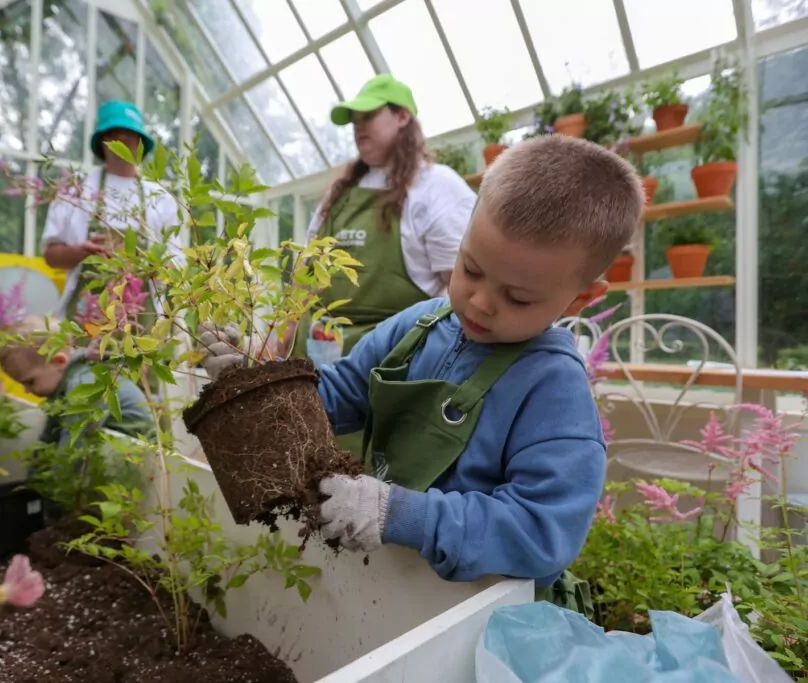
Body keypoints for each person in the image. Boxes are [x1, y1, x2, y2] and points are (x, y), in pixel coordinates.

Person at [199, 135, 644, 612]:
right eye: (470, 269)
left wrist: (401, 514)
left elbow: (541, 532)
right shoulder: (416, 328)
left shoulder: (553, 390)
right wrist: (255, 383)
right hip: (394, 585)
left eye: (517, 298)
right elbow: (334, 397)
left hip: (480, 615)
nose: (480, 302)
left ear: (581, 299)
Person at [292, 73, 477, 368]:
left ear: (402, 116)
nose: (358, 127)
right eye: (354, 121)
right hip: (311, 361)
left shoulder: (436, 188)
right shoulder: (340, 193)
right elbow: (305, 274)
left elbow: (464, 290)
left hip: (386, 369)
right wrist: (282, 336)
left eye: (368, 116)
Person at [41, 100, 179, 321]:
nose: (122, 138)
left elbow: (177, 266)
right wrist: (82, 252)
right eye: (114, 132)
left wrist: (148, 265)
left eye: (129, 133)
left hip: (142, 323)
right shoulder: (75, 189)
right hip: (84, 321)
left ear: (141, 141)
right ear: (102, 140)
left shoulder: (161, 198)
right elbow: (51, 256)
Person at [0, 339, 155, 448]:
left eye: (30, 382)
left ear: (58, 362)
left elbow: (73, 448)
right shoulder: (63, 388)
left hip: (144, 459)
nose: (26, 390)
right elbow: (48, 438)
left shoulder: (85, 386)